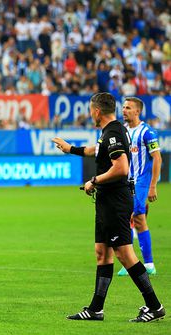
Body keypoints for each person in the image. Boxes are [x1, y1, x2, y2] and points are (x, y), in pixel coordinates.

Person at [52, 92, 165, 322]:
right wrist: (70, 148)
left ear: (96, 111)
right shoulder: (111, 131)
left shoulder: (113, 132)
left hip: (115, 202)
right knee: (102, 253)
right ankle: (96, 309)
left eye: (90, 110)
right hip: (106, 202)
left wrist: (94, 181)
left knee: (125, 254)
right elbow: (97, 149)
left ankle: (154, 306)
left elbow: (121, 167)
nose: (89, 114)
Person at [117, 97, 162, 277]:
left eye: (128, 108)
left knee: (135, 216)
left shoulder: (147, 132)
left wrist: (153, 187)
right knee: (134, 219)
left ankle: (144, 263)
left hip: (141, 181)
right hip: (125, 182)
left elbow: (157, 158)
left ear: (137, 111)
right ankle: (137, 262)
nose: (124, 110)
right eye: (124, 107)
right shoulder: (123, 131)